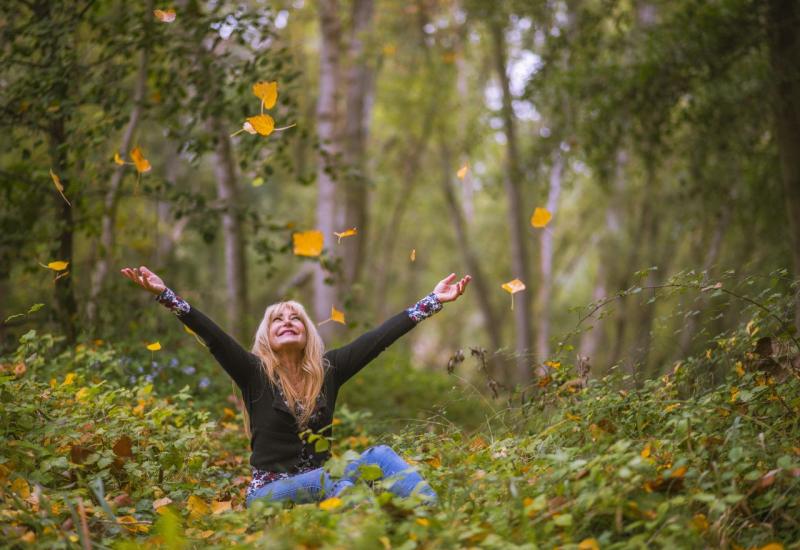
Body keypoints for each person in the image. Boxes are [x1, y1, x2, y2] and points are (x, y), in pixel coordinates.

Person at [120, 265, 471, 508]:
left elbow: (378, 338)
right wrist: (166, 294)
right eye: (277, 319)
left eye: (295, 318)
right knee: (342, 481)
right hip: (269, 493)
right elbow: (212, 336)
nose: (287, 322)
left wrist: (433, 300)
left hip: (325, 481)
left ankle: (432, 513)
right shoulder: (253, 372)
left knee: (370, 463)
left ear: (307, 333)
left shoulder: (329, 370)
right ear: (266, 336)